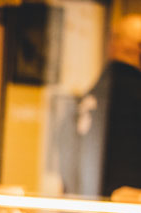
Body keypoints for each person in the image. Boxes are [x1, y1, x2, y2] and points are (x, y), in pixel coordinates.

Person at [60, 14, 141, 198]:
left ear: (111, 46)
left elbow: (64, 145)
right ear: (137, 49)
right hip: (123, 212)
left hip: (88, 205)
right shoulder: (132, 93)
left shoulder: (95, 92)